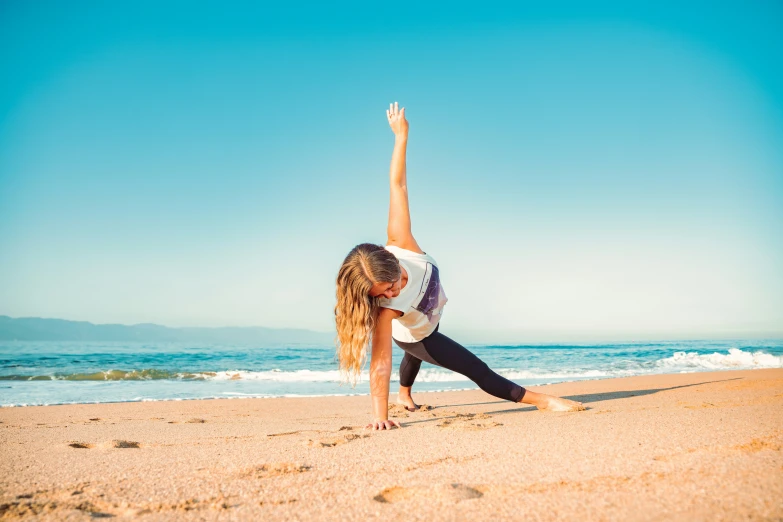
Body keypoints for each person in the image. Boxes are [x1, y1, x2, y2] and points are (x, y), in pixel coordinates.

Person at [334, 102, 585, 431]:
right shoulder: (387, 311)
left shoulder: (401, 240)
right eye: (383, 293)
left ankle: (404, 395)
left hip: (426, 316)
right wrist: (379, 417)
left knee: (414, 355)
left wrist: (401, 136)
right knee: (470, 366)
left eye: (392, 284)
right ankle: (541, 400)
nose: (392, 292)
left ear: (392, 258)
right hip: (418, 334)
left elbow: (398, 186)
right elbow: (380, 360)